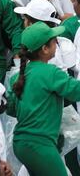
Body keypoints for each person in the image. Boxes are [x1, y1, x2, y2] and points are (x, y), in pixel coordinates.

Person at [9, 22, 80, 175]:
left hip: (20, 143)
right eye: (54, 41)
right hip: (40, 145)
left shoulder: (17, 77)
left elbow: (12, 109)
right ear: (45, 49)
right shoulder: (51, 73)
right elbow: (77, 91)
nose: (57, 43)